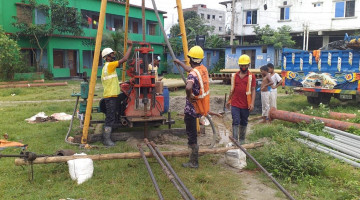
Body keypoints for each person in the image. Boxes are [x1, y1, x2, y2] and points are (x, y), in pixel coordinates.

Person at [173, 46, 210, 168]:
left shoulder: (192, 75)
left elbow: (188, 87)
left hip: (191, 109)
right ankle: (193, 159)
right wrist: (179, 62)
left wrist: (189, 96)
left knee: (191, 134)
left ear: (190, 59)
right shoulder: (202, 70)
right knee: (193, 132)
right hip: (200, 106)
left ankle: (193, 162)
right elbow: (190, 69)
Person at [101, 41, 133, 146]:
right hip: (110, 96)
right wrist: (130, 47)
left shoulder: (108, 67)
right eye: (112, 54)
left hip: (112, 95)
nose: (113, 56)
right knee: (110, 117)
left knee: (126, 96)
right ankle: (106, 140)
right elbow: (124, 60)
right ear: (107, 57)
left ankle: (118, 123)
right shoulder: (109, 65)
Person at [226, 54, 256, 144]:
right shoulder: (234, 76)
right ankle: (235, 141)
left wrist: (252, 103)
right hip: (235, 103)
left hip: (246, 104)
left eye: (245, 65)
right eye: (242, 65)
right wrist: (228, 100)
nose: (243, 67)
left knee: (244, 121)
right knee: (235, 121)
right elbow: (232, 89)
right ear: (239, 65)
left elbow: (253, 90)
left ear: (248, 65)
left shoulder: (251, 76)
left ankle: (242, 141)